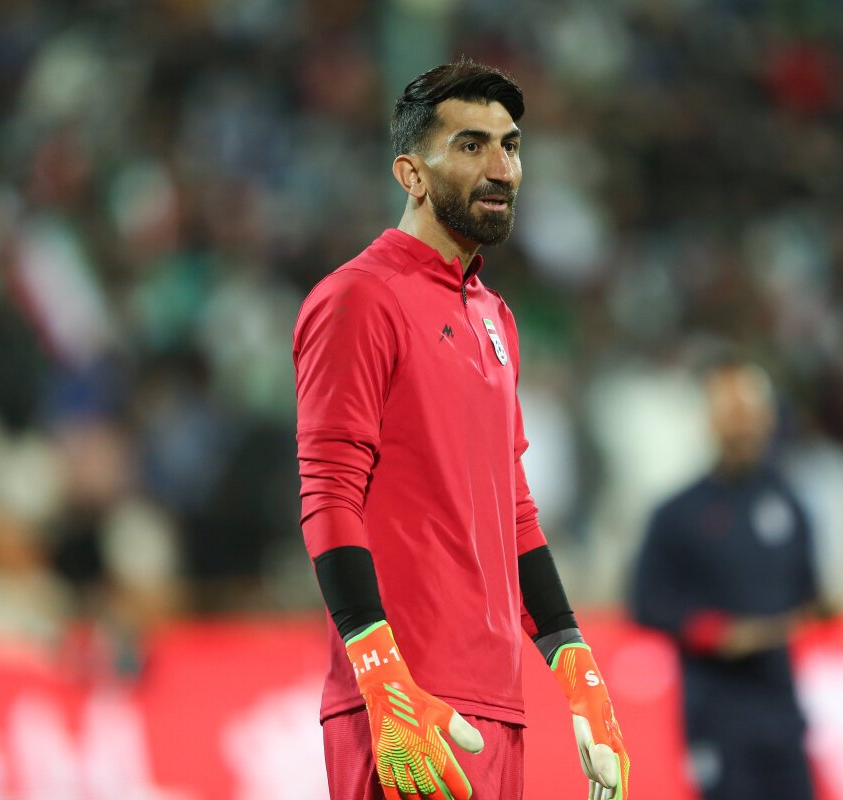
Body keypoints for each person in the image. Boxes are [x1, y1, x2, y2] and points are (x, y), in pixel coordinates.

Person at [292, 60, 629, 800]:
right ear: (411, 174)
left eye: (510, 146)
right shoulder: (358, 299)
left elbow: (514, 511)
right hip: (406, 707)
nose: (501, 168)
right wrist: (383, 680)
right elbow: (328, 496)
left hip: (497, 708)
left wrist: (577, 669)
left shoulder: (494, 316)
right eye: (471, 145)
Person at [630, 357, 816, 800]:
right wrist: (714, 632)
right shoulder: (677, 514)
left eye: (751, 413)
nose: (744, 426)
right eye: (733, 414)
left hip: (781, 709)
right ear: (711, 421)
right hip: (717, 712)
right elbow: (645, 602)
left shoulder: (790, 504)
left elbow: (808, 592)